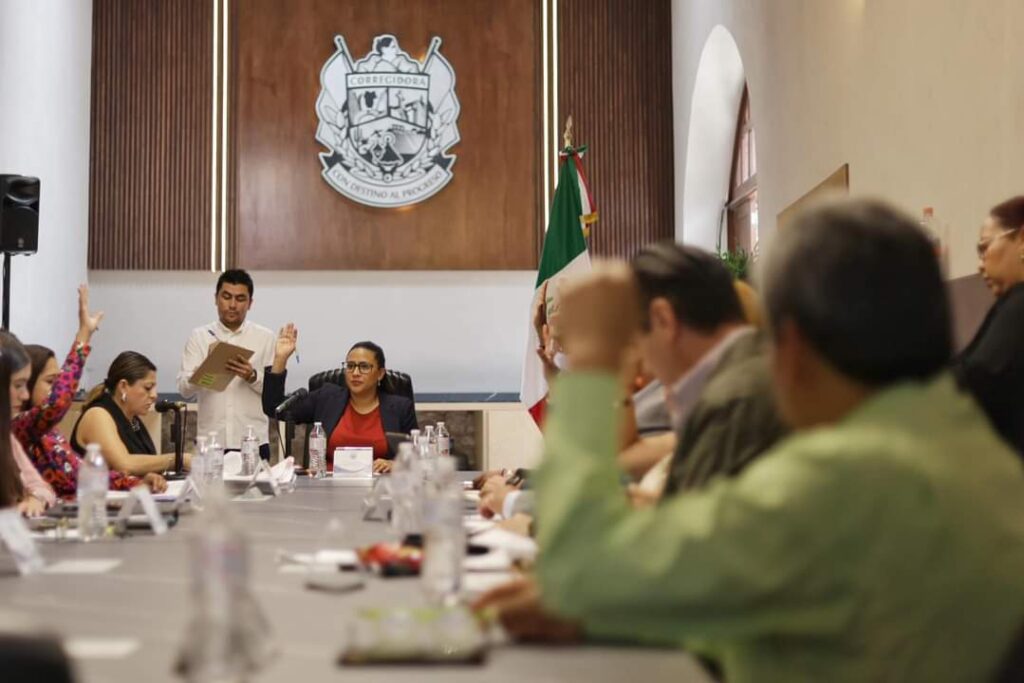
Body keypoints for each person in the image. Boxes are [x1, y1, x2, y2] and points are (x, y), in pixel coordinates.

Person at [475, 199, 1024, 682]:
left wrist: (595, 361)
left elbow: (577, 572)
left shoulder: (842, 475)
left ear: (792, 344)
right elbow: (780, 611)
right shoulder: (973, 448)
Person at [15, 286, 167, 497]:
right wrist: (83, 336)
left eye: (58, 382)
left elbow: (82, 474)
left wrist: (136, 483)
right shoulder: (16, 427)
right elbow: (57, 403)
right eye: (51, 382)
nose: (57, 388)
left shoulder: (51, 435)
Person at [262, 326, 417, 473]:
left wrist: (395, 464)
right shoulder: (326, 398)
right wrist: (280, 359)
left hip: (380, 486)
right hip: (328, 485)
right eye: (350, 366)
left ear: (380, 373)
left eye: (364, 367)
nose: (355, 373)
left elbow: (415, 458)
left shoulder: (400, 408)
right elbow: (274, 407)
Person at [177, 269, 275, 458]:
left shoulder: (265, 338)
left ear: (250, 303)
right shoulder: (199, 337)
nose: (232, 305)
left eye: (240, 299)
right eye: (226, 297)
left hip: (253, 443)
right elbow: (184, 390)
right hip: (211, 443)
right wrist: (205, 370)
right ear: (216, 298)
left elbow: (273, 395)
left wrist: (252, 376)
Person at [953, 195, 1024, 454]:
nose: (980, 265)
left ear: (1022, 239)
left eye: (984, 248)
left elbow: (979, 379)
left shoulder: (1019, 306)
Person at [71, 352, 186, 475]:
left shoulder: (133, 420)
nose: (154, 395)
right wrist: (178, 460)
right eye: (148, 388)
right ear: (123, 387)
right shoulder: (97, 415)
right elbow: (125, 465)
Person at [0, 332, 56, 515]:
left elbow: (41, 487)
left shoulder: (6, 437)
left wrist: (35, 498)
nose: (25, 395)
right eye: (18, 385)